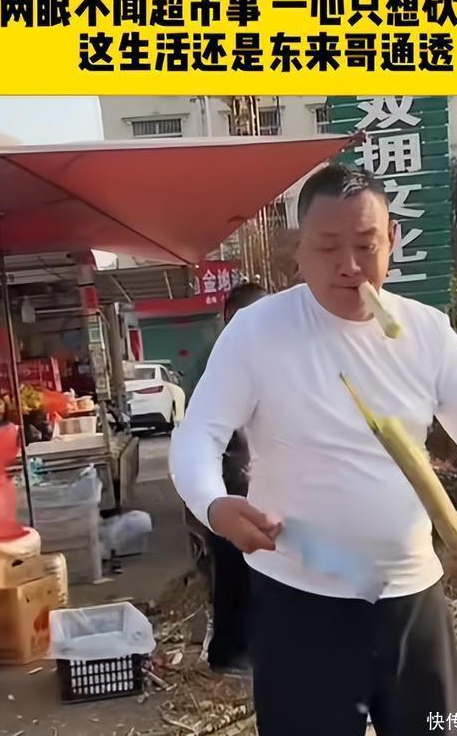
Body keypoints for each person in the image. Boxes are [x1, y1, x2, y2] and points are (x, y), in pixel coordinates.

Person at [170, 165, 457, 736]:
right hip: (299, 601)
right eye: (328, 246)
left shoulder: (427, 332)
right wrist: (214, 504)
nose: (349, 265)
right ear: (298, 249)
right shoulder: (258, 331)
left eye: (366, 245)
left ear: (393, 240)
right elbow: (199, 434)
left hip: (413, 597)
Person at [207, 283, 267, 674]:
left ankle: (240, 648)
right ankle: (230, 652)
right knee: (236, 570)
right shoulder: (223, 364)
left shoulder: (263, 358)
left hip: (250, 477)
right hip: (230, 481)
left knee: (248, 571)